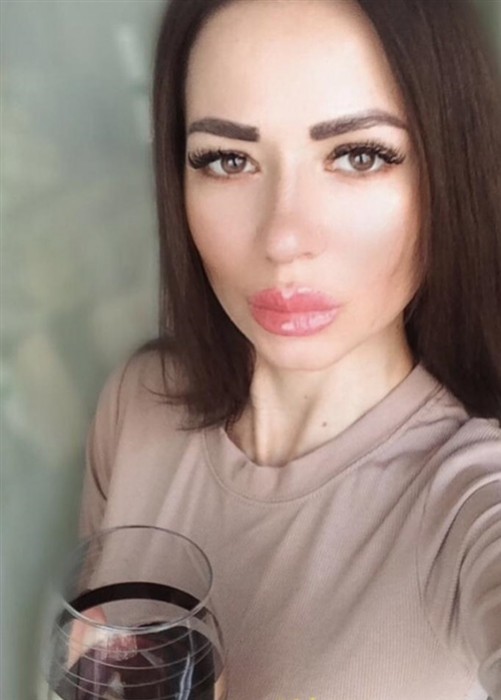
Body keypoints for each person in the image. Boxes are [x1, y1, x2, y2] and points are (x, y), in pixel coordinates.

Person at [78, 0, 501, 698]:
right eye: (228, 160)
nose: (282, 238)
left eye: (359, 156)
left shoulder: (471, 499)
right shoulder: (137, 403)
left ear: (447, 169)